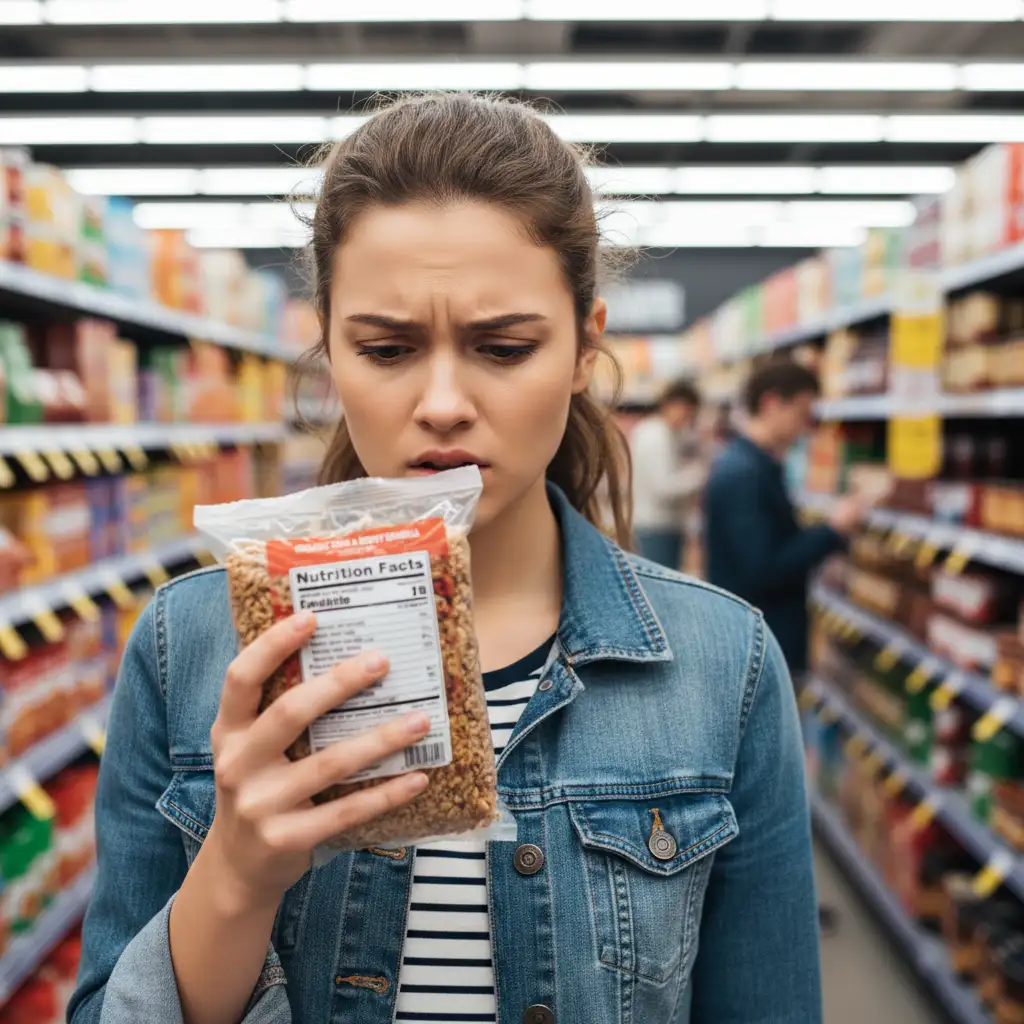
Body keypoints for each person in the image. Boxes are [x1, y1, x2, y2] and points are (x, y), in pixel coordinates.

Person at [69, 94, 821, 1024]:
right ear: (329, 349)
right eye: (385, 348)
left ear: (587, 345)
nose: (442, 402)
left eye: (503, 348)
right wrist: (234, 876)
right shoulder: (190, 647)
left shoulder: (722, 666)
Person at [704, 361, 863, 679]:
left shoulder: (753, 466)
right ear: (772, 404)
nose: (806, 427)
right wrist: (831, 530)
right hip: (757, 645)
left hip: (759, 639)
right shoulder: (744, 475)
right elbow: (762, 569)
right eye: (802, 413)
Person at [630, 379, 704, 569]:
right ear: (671, 405)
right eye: (686, 411)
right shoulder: (655, 436)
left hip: (662, 526)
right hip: (656, 527)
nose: (687, 418)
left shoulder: (661, 433)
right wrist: (698, 476)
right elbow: (664, 488)